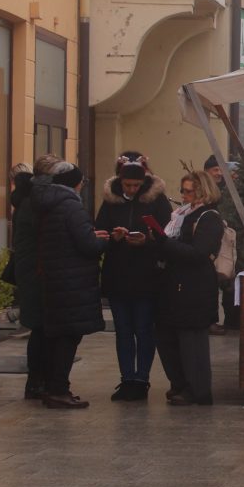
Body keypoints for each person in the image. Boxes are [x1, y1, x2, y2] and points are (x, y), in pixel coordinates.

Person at [94, 157, 172, 401]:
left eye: (136, 185)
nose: (131, 190)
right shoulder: (110, 202)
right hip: (118, 274)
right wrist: (113, 237)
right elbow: (99, 231)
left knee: (143, 329)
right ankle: (126, 378)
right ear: (120, 182)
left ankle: (142, 379)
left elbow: (167, 236)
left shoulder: (157, 201)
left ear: (144, 182)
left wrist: (147, 240)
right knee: (123, 330)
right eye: (127, 185)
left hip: (147, 275)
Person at [33, 163, 108, 409]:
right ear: (76, 183)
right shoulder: (71, 207)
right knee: (68, 337)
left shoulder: (48, 205)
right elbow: (87, 245)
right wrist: (103, 241)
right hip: (72, 282)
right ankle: (58, 390)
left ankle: (53, 387)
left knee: (57, 336)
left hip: (55, 280)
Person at [153, 169, 224, 406]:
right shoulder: (180, 216)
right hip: (173, 287)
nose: (183, 196)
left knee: (192, 343)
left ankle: (196, 389)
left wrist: (164, 243)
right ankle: (180, 384)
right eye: (182, 191)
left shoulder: (209, 218)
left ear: (202, 191)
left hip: (194, 289)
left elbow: (199, 253)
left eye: (188, 191)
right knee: (168, 339)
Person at [10, 154, 59, 400]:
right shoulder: (35, 204)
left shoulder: (28, 202)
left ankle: (38, 380)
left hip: (33, 271)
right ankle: (38, 381)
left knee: (41, 329)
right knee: (42, 329)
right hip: (37, 273)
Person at [204, 153, 244, 331]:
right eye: (215, 170)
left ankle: (232, 320)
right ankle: (211, 320)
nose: (219, 173)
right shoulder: (204, 190)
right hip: (209, 243)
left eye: (222, 170)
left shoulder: (230, 190)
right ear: (206, 171)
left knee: (228, 280)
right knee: (210, 284)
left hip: (229, 242)